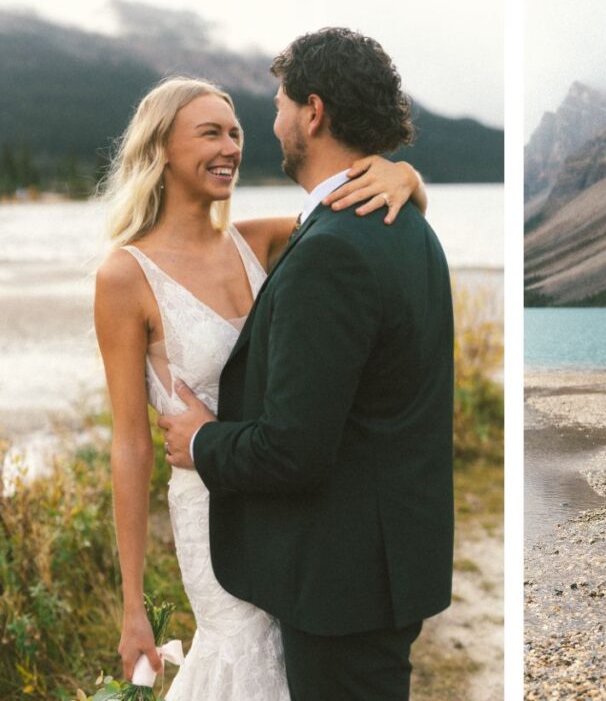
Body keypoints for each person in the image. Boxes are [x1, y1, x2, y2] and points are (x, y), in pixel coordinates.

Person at [94, 75, 425, 699]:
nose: (231, 147)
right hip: (209, 513)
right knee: (245, 658)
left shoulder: (262, 241)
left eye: (237, 132)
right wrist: (132, 604)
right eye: (210, 133)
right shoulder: (123, 276)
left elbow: (355, 226)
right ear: (161, 148)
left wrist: (407, 179)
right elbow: (132, 446)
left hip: (289, 506)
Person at [160, 28, 454, 701]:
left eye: (278, 104)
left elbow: (295, 449)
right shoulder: (406, 225)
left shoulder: (335, 250)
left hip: (341, 582)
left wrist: (201, 439)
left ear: (313, 112)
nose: (270, 123)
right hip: (383, 568)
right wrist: (408, 175)